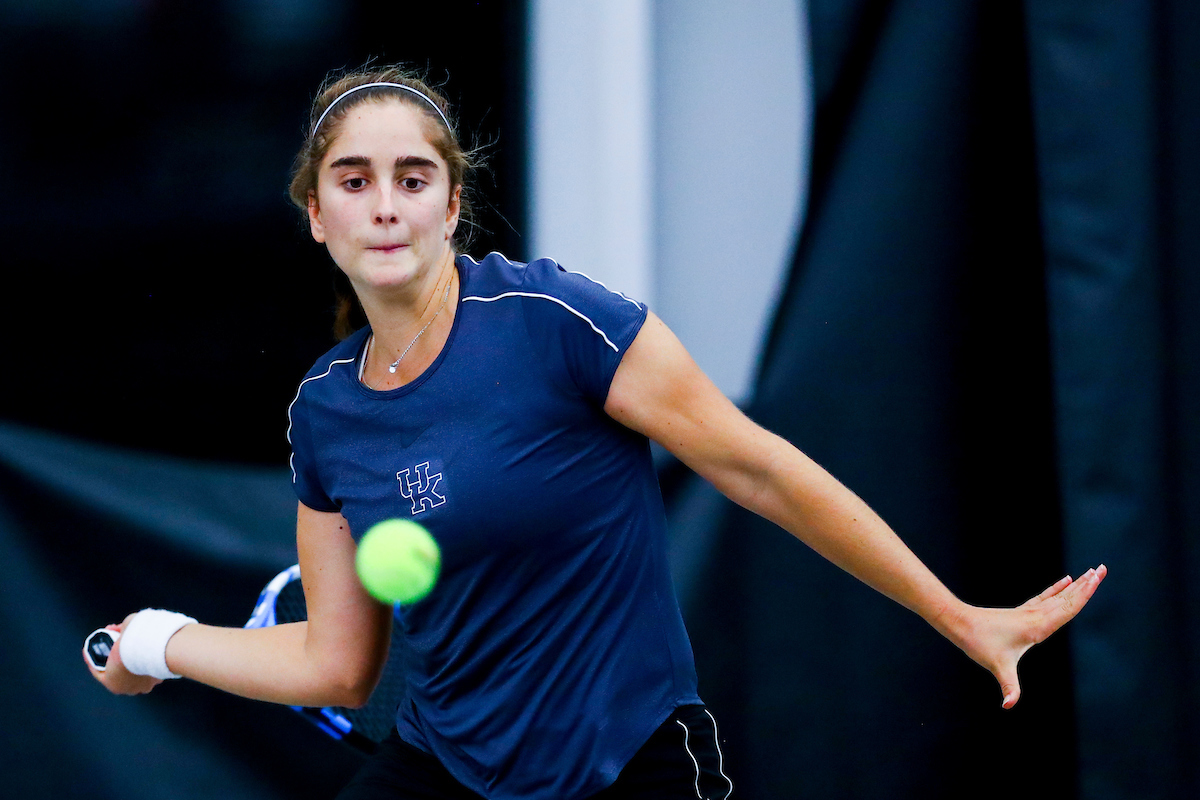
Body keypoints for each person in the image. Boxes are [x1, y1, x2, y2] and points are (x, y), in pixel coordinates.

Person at [87, 65, 1107, 800]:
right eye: (354, 182)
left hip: (632, 768)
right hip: (447, 766)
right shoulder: (325, 410)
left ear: (452, 204)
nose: (386, 206)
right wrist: (158, 642)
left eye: (413, 179)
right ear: (318, 215)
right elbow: (337, 664)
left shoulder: (560, 323)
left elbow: (758, 469)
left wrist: (959, 614)